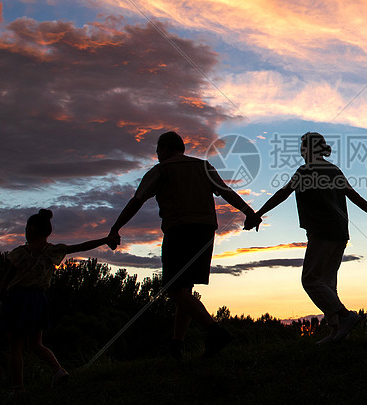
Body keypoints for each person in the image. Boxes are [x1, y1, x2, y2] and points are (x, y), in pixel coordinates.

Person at [108, 131, 260, 358]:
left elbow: (136, 201)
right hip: (205, 230)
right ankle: (176, 345)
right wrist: (249, 212)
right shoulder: (203, 166)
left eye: (158, 150)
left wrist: (115, 228)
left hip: (179, 230)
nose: (157, 155)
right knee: (185, 288)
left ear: (166, 149)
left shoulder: (162, 170)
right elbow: (226, 191)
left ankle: (215, 331)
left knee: (173, 288)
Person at [246, 132, 367, 344]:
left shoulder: (306, 170)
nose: (301, 150)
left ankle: (344, 316)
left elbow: (282, 194)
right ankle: (338, 333)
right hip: (340, 233)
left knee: (311, 280)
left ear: (308, 149)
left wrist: (257, 214)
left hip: (322, 232)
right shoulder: (334, 170)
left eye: (303, 146)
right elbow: (354, 196)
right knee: (328, 283)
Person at [0, 209, 117, 394]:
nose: (25, 231)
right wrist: (105, 240)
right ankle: (58, 370)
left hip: (18, 299)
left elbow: (6, 279)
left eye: (27, 227)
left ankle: (18, 388)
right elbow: (81, 247)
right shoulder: (52, 251)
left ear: (32, 229)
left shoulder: (20, 253)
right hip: (38, 300)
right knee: (36, 344)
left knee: (15, 345)